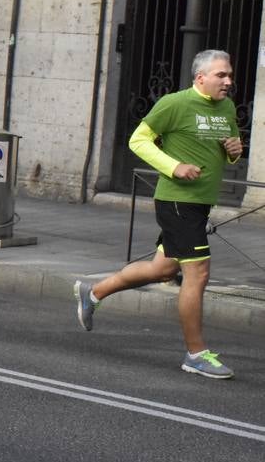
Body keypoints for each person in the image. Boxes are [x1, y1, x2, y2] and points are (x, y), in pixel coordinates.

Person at [75, 50, 243, 379]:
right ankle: (195, 354)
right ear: (200, 78)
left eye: (230, 75)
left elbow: (227, 151)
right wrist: (174, 166)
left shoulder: (226, 108)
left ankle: (93, 293)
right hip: (177, 200)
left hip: (200, 202)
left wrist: (234, 154)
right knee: (198, 275)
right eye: (221, 75)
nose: (228, 81)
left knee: (161, 268)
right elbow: (139, 140)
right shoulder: (174, 103)